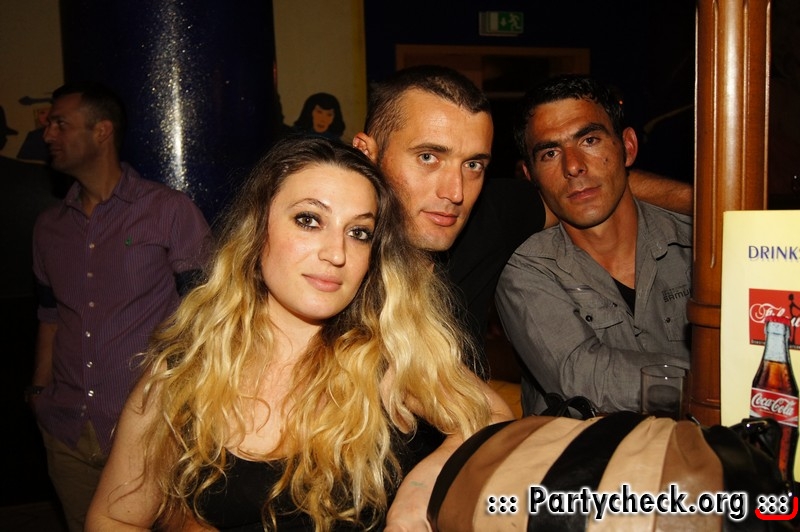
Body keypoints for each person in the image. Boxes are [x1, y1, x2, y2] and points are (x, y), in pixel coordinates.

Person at [86, 136, 512, 531]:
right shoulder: (184, 372)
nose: (336, 253)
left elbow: (492, 420)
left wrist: (420, 492)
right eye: (309, 220)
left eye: (358, 233)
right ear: (258, 229)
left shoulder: (387, 359)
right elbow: (114, 518)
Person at [353, 65, 693, 379]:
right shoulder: (334, 262)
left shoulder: (488, 217)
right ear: (366, 154)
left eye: (473, 165)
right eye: (428, 157)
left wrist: (711, 205)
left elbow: (582, 186)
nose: (455, 192)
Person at [29, 82, 211, 532]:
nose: (48, 134)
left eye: (60, 123)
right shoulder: (49, 227)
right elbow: (50, 316)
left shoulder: (167, 210)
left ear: (102, 131)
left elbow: (208, 314)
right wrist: (39, 392)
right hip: (68, 431)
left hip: (153, 433)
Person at [495, 74, 692, 415]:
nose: (573, 166)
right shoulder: (525, 264)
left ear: (627, 147)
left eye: (589, 140)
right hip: (584, 447)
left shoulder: (694, 244)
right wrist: (715, 383)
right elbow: (581, 376)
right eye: (550, 153)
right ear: (530, 175)